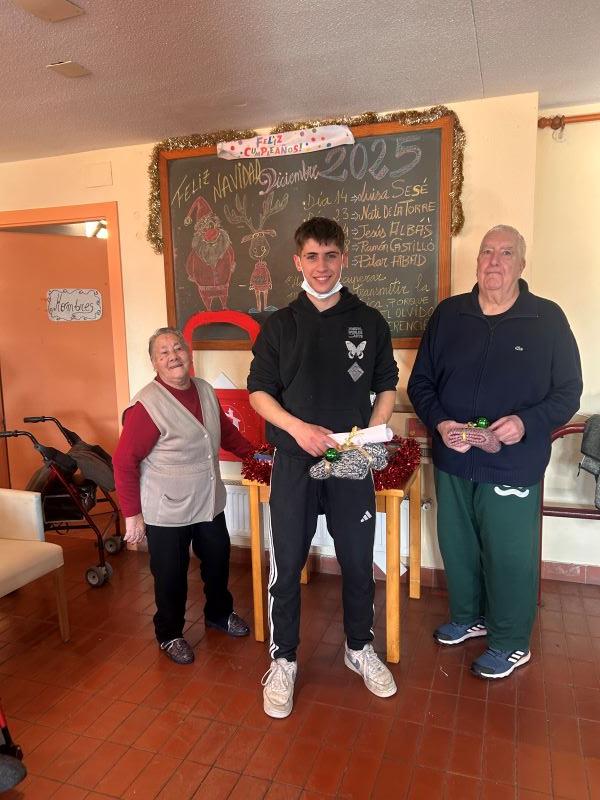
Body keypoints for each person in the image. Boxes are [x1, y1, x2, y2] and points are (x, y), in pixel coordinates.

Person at [407, 225, 582, 680]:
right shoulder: (449, 315)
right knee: (458, 545)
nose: (494, 261)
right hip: (454, 457)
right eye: (487, 251)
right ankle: (469, 617)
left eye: (506, 253)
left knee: (508, 554)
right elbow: (421, 383)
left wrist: (525, 423)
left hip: (512, 462)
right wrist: (440, 423)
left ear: (522, 264)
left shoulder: (547, 319)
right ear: (477, 260)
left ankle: (510, 642)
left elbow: (568, 392)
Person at [248, 216, 399, 718]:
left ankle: (360, 647)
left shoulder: (369, 321)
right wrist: (298, 429)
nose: (321, 266)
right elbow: (259, 393)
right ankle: (283, 659)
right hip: (295, 460)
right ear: (298, 261)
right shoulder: (280, 325)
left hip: (351, 463)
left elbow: (385, 387)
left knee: (357, 560)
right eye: (312, 256)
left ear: (343, 259)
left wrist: (365, 438)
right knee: (287, 562)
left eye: (330, 255)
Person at [113, 327, 252, 665]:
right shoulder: (146, 405)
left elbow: (227, 434)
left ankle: (219, 614)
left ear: (188, 353)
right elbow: (124, 461)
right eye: (163, 353)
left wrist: (258, 456)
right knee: (170, 575)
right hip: (166, 508)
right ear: (154, 362)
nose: (173, 356)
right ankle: (169, 633)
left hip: (208, 500)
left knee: (218, 562)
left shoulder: (204, 389)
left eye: (177, 348)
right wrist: (132, 515)